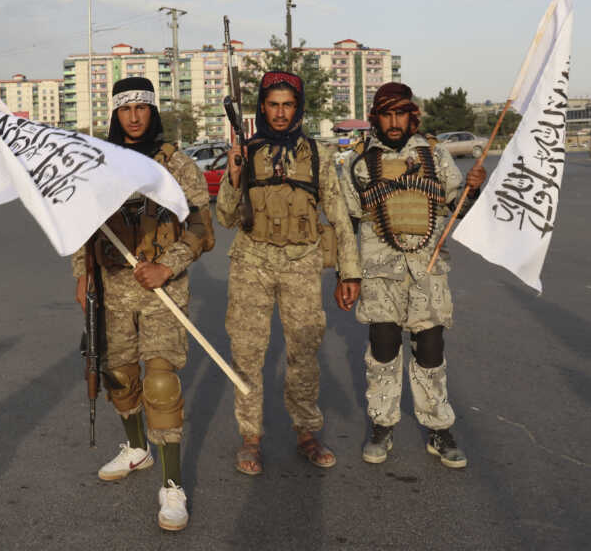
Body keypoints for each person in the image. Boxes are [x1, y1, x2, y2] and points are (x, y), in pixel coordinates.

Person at [72, 77, 213, 532]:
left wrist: (168, 267)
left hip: (161, 293)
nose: (134, 116)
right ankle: (137, 449)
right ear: (115, 113)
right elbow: (80, 224)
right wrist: (81, 273)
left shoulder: (177, 165)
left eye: (142, 107)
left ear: (153, 112)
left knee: (160, 385)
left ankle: (172, 484)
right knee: (119, 378)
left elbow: (201, 227)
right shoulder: (99, 164)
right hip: (112, 291)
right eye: (126, 108)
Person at [216, 70, 361, 476]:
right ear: (262, 108)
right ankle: (251, 437)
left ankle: (306, 432)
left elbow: (338, 215)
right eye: (273, 105)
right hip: (251, 263)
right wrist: (232, 175)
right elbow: (226, 217)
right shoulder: (248, 151)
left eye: (288, 105)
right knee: (247, 354)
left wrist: (349, 273)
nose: (280, 114)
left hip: (302, 263)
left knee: (303, 353)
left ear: (298, 109)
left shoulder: (317, 155)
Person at [337, 83, 485, 468]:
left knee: (431, 350)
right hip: (379, 270)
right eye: (386, 115)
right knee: (383, 347)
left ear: (411, 116)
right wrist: (347, 274)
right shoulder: (358, 162)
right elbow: (346, 225)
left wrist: (473, 189)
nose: (394, 122)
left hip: (428, 267)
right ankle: (382, 424)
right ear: (376, 118)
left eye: (400, 114)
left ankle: (438, 427)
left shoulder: (434, 155)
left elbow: (459, 206)